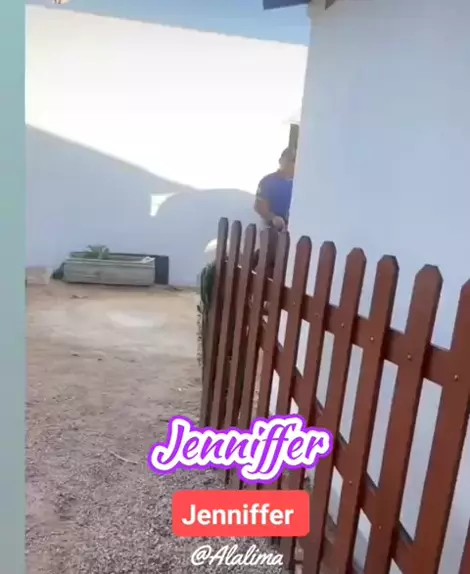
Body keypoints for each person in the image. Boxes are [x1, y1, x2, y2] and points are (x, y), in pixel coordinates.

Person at [252, 147, 296, 274]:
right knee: (268, 260)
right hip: (270, 228)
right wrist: (273, 218)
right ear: (281, 161)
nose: (292, 164)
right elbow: (259, 205)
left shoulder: (298, 184)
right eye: (289, 160)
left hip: (291, 230)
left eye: (294, 161)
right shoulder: (268, 181)